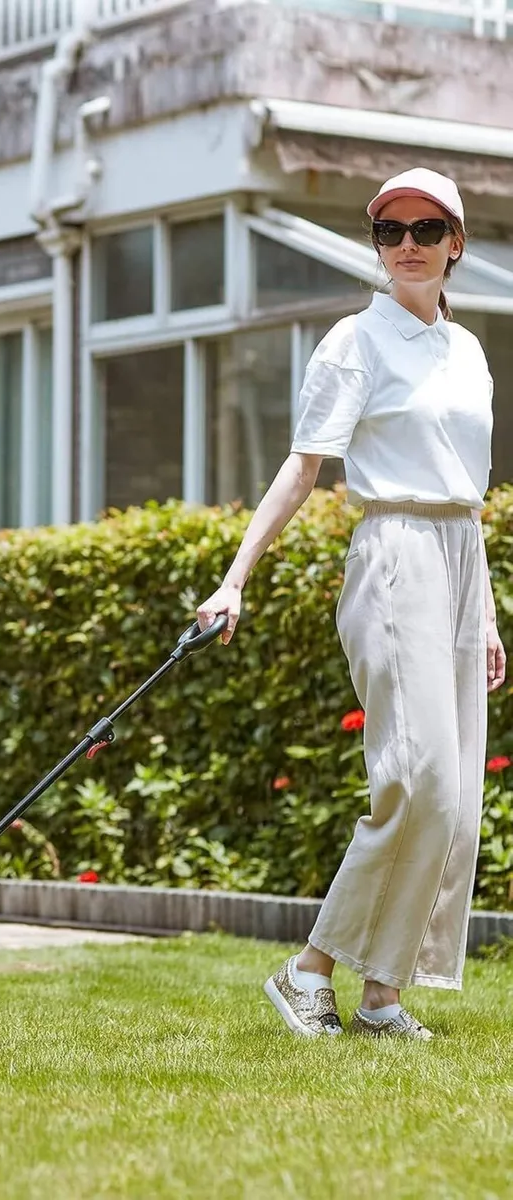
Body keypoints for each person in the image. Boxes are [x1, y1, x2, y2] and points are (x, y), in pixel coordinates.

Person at [196, 167, 504, 1040]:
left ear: (455, 245)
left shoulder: (470, 351)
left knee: (451, 800)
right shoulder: (352, 343)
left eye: (425, 229)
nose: (406, 245)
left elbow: (469, 496)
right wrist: (235, 577)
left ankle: (380, 997)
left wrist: (482, 615)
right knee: (419, 782)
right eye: (389, 232)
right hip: (395, 554)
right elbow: (304, 466)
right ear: (378, 247)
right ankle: (307, 972)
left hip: (458, 558)